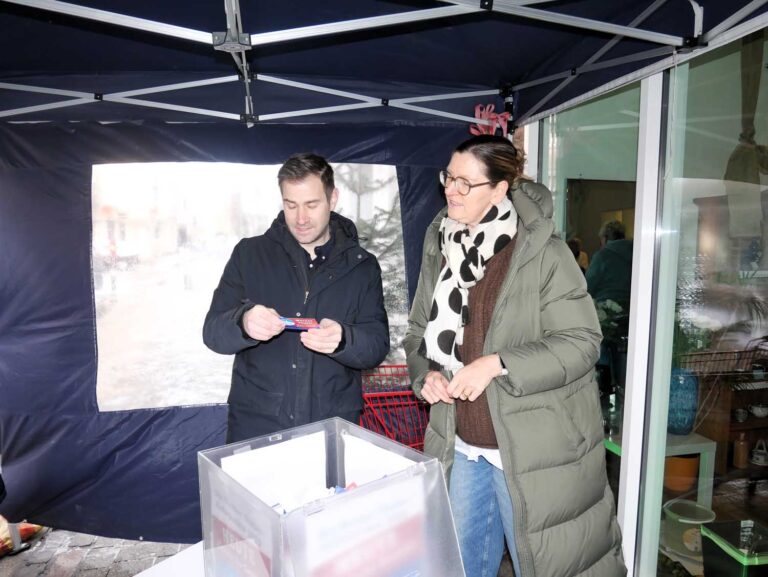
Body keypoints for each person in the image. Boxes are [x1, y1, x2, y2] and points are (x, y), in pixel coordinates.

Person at [404, 135, 625, 577]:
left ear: (500, 190)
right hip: (462, 443)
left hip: (531, 453)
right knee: (460, 566)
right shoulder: (441, 247)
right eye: (449, 177)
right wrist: (426, 373)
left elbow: (582, 341)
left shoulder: (541, 251)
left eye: (466, 183)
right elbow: (416, 333)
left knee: (540, 566)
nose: (451, 189)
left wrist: (498, 363)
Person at [203, 153, 390, 442]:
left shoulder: (362, 266)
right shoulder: (249, 254)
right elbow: (213, 333)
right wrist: (243, 322)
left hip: (332, 429)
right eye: (291, 205)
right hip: (258, 427)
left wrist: (344, 340)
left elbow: (377, 344)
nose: (301, 218)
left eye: (311, 205)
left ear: (333, 198)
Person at [586, 220, 633, 308]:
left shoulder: (602, 256)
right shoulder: (635, 254)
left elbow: (588, 286)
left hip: (607, 309)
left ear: (604, 238)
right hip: (629, 308)